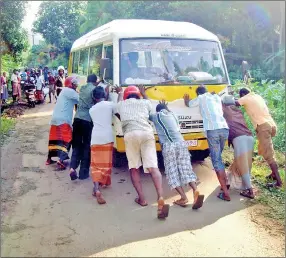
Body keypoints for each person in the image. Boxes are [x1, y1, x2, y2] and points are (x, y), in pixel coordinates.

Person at [115, 85, 170, 219]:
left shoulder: (122, 104)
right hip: (146, 133)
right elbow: (150, 106)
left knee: (134, 167)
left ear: (127, 96)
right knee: (153, 167)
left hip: (130, 134)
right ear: (138, 95)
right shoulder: (145, 102)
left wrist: (120, 92)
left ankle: (142, 199)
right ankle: (161, 197)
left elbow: (118, 105)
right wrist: (144, 94)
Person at [149, 100, 204, 209]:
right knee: (186, 169)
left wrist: (145, 96)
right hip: (181, 143)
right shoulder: (173, 114)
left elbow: (147, 114)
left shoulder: (157, 116)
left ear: (158, 110)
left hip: (169, 146)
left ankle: (183, 197)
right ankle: (195, 191)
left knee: (172, 172)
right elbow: (167, 110)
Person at [184, 85, 230, 201]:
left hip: (212, 130)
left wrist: (186, 100)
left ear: (198, 93)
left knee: (216, 160)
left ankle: (225, 193)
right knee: (219, 157)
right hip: (224, 129)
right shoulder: (216, 97)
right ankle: (226, 183)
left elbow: (189, 104)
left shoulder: (201, 97)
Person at [235, 88, 282, 188]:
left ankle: (278, 182)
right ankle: (273, 174)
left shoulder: (245, 98)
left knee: (269, 155)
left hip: (263, 126)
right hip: (271, 125)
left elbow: (235, 103)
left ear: (242, 94)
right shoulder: (257, 96)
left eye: (240, 96)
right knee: (265, 149)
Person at [87, 86, 118, 204]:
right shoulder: (110, 104)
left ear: (94, 97)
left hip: (96, 138)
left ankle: (96, 188)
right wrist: (119, 94)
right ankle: (104, 182)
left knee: (95, 164)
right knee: (106, 163)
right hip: (107, 137)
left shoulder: (91, 110)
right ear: (104, 95)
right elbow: (118, 108)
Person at [222, 103, 255, 199]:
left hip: (239, 138)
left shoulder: (226, 109)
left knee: (242, 165)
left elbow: (219, 103)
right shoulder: (238, 111)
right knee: (246, 164)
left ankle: (250, 191)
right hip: (249, 137)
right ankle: (231, 183)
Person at [69, 74, 99, 180]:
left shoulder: (82, 88)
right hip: (87, 121)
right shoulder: (95, 89)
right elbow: (97, 100)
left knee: (77, 145)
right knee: (86, 146)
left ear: (87, 80)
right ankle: (83, 173)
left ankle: (72, 168)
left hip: (77, 119)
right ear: (95, 81)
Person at [46, 76, 79, 170]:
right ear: (71, 84)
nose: (76, 85)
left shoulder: (64, 91)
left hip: (55, 119)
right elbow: (81, 100)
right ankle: (61, 160)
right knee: (67, 139)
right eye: (75, 84)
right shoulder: (71, 92)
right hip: (64, 120)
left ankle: (49, 159)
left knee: (54, 138)